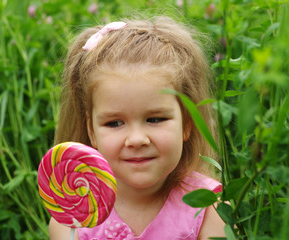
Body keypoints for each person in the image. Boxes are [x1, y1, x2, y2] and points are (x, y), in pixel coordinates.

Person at [49, 16, 226, 240]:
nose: (136, 139)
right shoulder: (74, 217)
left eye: (155, 119)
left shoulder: (211, 208)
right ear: (91, 131)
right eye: (114, 123)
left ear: (187, 124)